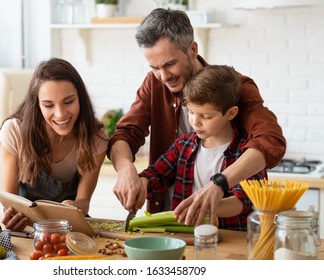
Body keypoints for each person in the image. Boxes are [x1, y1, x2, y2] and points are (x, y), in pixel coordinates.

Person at [108, 8, 286, 227]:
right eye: (154, 67)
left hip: (226, 227)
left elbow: (270, 140)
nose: (163, 76)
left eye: (169, 64)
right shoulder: (154, 84)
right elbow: (126, 133)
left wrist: (219, 184)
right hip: (171, 219)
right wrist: (127, 170)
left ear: (192, 49)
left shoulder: (233, 87)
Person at [139, 65, 266, 230]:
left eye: (206, 116)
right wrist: (141, 182)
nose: (195, 122)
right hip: (185, 239)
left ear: (231, 113)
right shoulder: (182, 145)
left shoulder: (247, 153)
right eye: (191, 112)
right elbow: (156, 175)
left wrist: (202, 206)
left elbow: (244, 200)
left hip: (229, 239)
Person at [0, 58, 108, 231]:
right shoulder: (15, 131)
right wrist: (8, 215)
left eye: (69, 101)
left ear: (80, 97)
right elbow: (9, 200)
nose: (60, 114)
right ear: (37, 104)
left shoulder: (96, 137)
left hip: (71, 228)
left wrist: (75, 206)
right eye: (48, 105)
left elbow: (84, 201)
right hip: (26, 229)